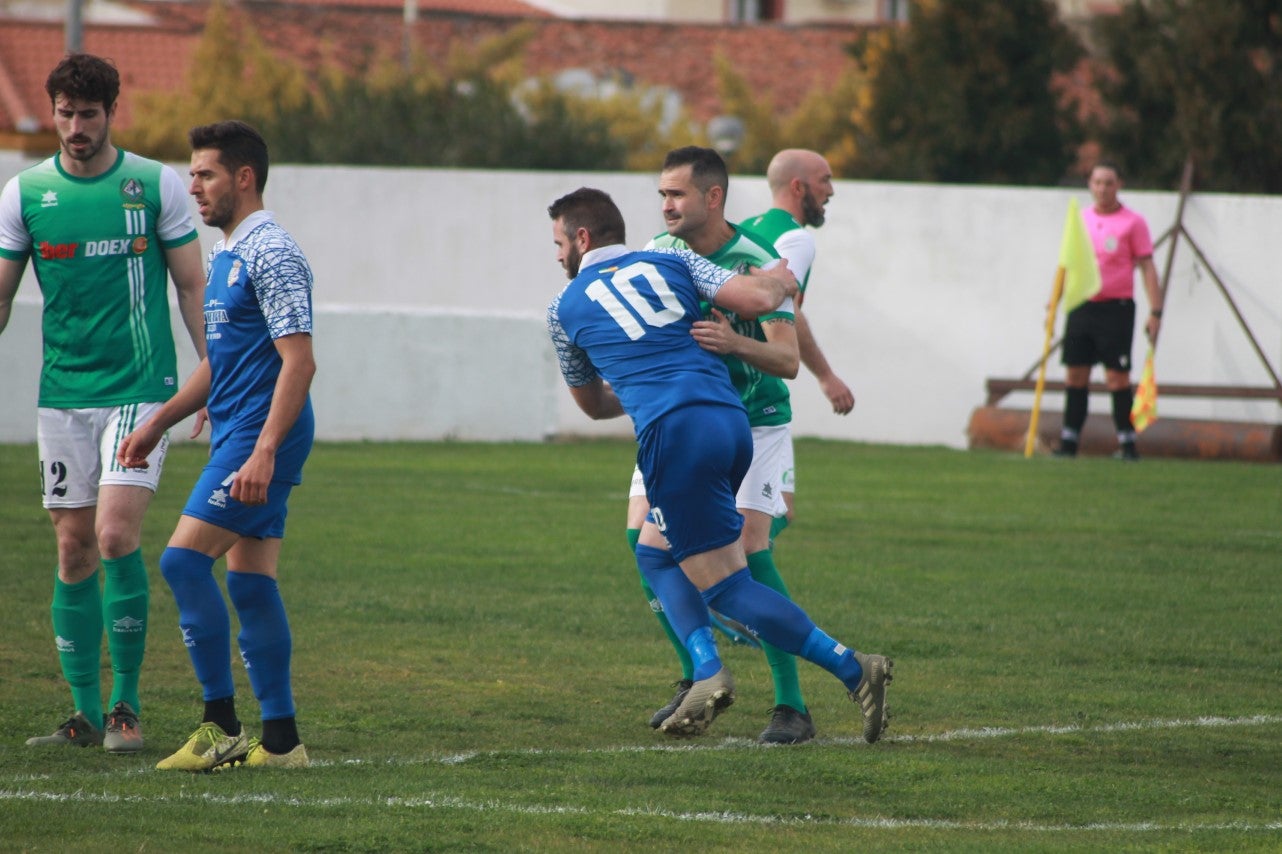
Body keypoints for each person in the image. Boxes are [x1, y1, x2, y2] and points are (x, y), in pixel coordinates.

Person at [547, 186, 894, 744]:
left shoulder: (562, 309)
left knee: (727, 587)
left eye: (558, 243)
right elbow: (757, 299)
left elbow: (591, 405)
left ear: (582, 239)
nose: (557, 255)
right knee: (655, 551)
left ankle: (853, 668)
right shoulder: (672, 258)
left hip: (674, 436)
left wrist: (641, 390)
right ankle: (706, 671)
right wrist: (781, 280)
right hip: (731, 421)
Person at [0, 53, 206, 754]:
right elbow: (0, 294)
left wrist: (213, 374)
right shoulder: (24, 193)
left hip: (140, 390)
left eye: (88, 114)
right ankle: (84, 715)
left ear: (111, 112)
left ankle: (127, 706)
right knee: (72, 546)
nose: (76, 127)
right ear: (53, 111)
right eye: (64, 113)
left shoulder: (153, 185)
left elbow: (190, 286)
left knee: (115, 535)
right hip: (62, 396)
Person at [116, 120, 316, 771]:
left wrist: (262, 451)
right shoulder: (229, 252)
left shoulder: (273, 253)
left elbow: (299, 362)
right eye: (192, 174)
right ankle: (282, 743)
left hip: (261, 438)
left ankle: (220, 726)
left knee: (181, 563)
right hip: (240, 431)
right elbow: (220, 363)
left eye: (204, 174)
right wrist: (160, 420)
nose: (192, 187)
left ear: (244, 178)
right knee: (252, 584)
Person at [743, 148, 855, 536]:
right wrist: (827, 377)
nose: (831, 190)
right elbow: (787, 315)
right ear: (797, 186)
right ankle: (724, 587)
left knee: (771, 513)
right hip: (759, 391)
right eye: (824, 179)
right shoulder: (795, 240)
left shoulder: (746, 227)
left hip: (735, 382)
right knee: (764, 521)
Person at [1056, 161, 1162, 461]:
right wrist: (1055, 302)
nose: (1102, 188)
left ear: (1119, 185)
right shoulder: (1079, 220)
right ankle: (1069, 442)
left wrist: (1156, 311)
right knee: (1076, 375)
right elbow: (1066, 263)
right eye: (1097, 182)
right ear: (1089, 184)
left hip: (1116, 308)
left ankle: (1128, 444)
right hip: (1081, 306)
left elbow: (1147, 268)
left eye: (1109, 183)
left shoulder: (1133, 222)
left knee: (1116, 377)